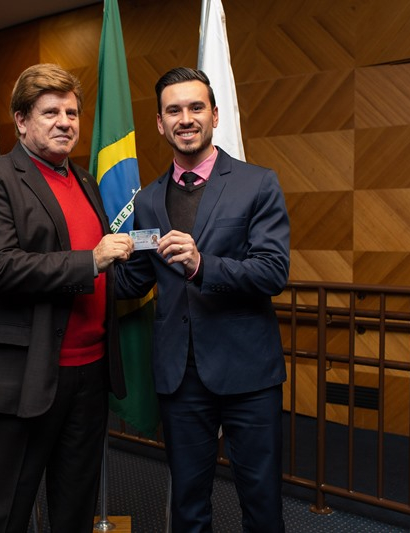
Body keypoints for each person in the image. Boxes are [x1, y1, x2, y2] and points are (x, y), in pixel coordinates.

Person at [0, 63, 133, 533]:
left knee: (74, 509)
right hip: (20, 376)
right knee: (1, 513)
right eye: (50, 112)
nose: (65, 122)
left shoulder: (87, 182)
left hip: (89, 374)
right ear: (21, 120)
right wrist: (90, 260)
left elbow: (100, 268)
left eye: (72, 113)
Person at [115, 67, 290, 532]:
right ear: (160, 123)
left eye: (196, 107)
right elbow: (135, 280)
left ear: (215, 114)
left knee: (262, 504)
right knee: (188, 506)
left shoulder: (257, 183)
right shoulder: (148, 200)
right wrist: (82, 263)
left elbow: (273, 272)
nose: (186, 118)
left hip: (248, 374)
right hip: (180, 377)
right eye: (174, 110)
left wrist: (201, 265)